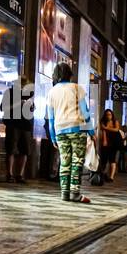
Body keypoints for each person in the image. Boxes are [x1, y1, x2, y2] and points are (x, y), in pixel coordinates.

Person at [45, 61, 95, 203]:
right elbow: (85, 112)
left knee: (64, 162)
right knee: (76, 162)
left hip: (60, 131)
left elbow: (51, 118)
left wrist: (53, 137)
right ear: (70, 74)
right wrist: (91, 131)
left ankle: (64, 193)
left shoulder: (52, 92)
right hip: (77, 129)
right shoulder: (77, 88)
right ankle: (75, 193)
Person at [2, 74, 35, 184]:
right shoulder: (9, 92)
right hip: (13, 124)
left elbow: (32, 108)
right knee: (11, 149)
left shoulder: (29, 94)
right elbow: (3, 107)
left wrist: (31, 106)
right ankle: (9, 174)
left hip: (26, 125)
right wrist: (18, 104)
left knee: (24, 151)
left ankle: (20, 175)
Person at [99, 108, 124, 184]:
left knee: (112, 160)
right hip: (106, 142)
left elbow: (116, 130)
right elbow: (103, 131)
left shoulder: (115, 121)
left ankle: (111, 177)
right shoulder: (103, 122)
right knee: (104, 159)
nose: (108, 116)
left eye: (110, 114)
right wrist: (104, 141)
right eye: (107, 114)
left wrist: (106, 128)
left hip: (114, 143)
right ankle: (103, 174)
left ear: (112, 115)